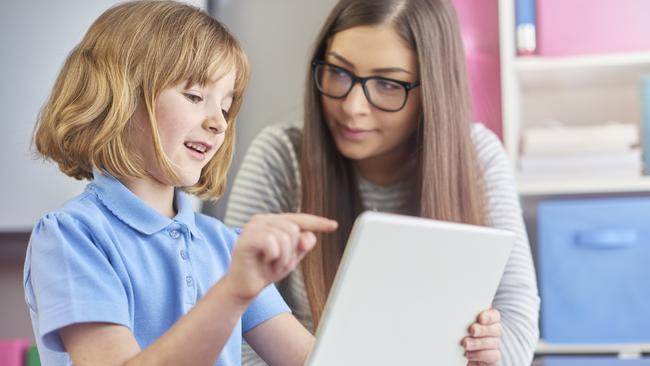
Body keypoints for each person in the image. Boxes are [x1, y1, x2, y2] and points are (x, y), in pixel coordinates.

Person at [225, 0, 540, 365]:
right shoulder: (280, 155)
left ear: (432, 91)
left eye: (388, 84)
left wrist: (489, 353)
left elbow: (516, 312)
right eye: (339, 72)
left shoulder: (478, 155)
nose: (353, 106)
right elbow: (235, 320)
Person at [23, 2, 338, 365]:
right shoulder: (72, 236)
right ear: (120, 96)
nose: (219, 122)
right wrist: (232, 293)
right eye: (194, 96)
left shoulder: (225, 246)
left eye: (226, 106)